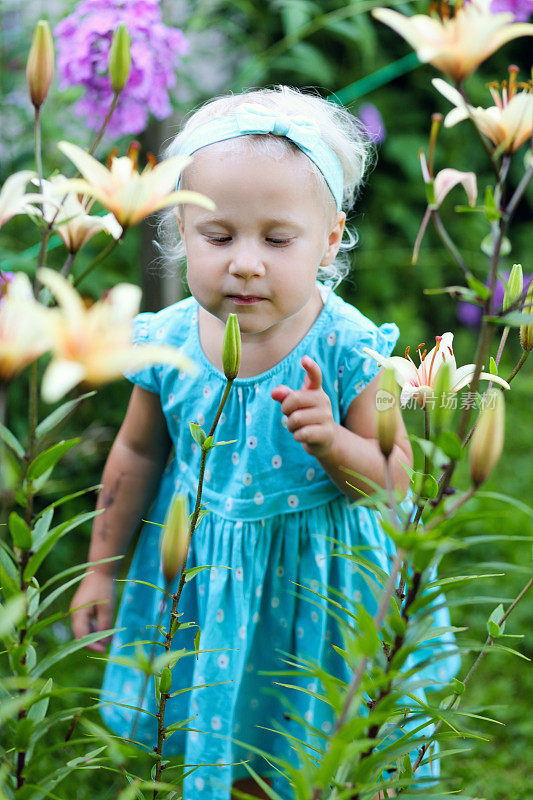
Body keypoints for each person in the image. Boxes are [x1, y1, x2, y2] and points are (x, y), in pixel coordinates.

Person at [70, 85, 459, 800]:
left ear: (329, 239)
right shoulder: (169, 341)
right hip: (206, 580)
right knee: (228, 742)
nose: (245, 263)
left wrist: (333, 443)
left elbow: (393, 480)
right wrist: (101, 567)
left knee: (320, 755)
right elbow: (137, 455)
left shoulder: (348, 349)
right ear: (179, 233)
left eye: (276, 240)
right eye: (217, 236)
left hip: (325, 587)